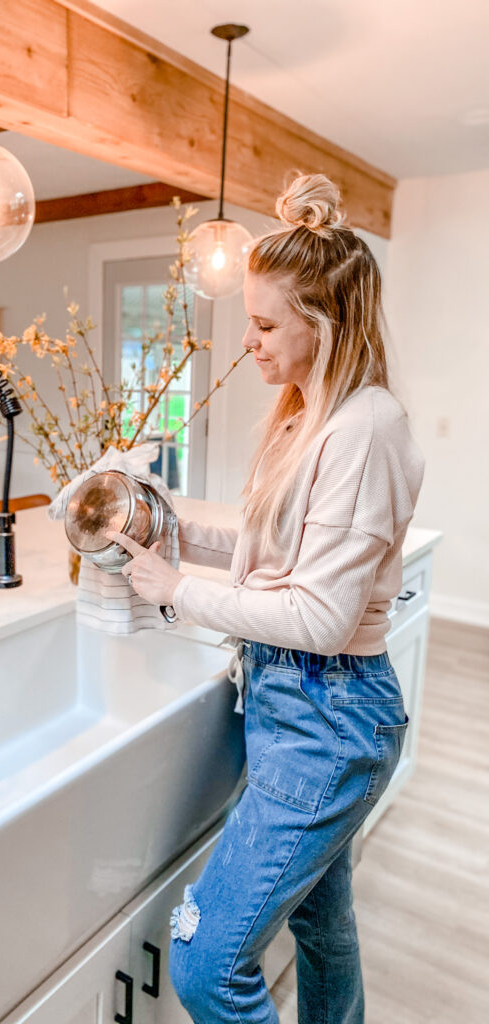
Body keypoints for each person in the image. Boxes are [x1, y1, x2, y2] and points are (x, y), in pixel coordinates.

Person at [106, 172, 425, 1023]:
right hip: (295, 708)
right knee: (324, 928)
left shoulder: (368, 429)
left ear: (323, 324)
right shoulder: (304, 418)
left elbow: (319, 617)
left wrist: (181, 592)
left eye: (264, 323)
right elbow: (269, 549)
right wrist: (165, 524)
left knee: (206, 964)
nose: (247, 340)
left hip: (330, 718)